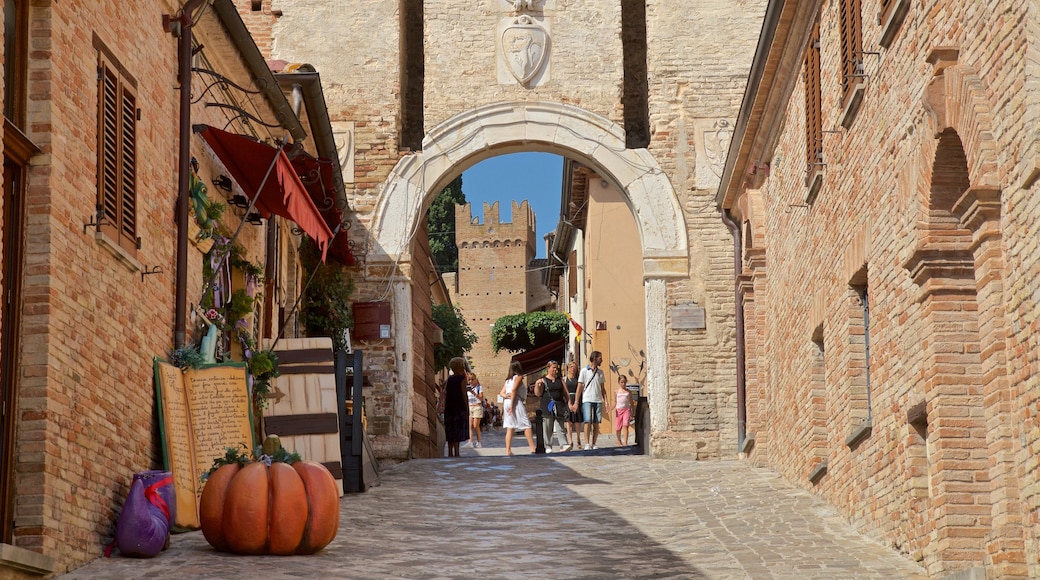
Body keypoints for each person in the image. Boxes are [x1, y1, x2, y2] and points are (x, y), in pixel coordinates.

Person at [533, 361, 570, 452]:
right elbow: (537, 394)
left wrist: (570, 403)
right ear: (548, 368)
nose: (555, 370)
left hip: (559, 405)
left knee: (560, 426)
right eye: (553, 368)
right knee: (547, 427)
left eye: (556, 368)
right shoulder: (543, 380)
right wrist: (538, 385)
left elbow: (566, 393)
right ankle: (548, 445)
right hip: (547, 406)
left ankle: (564, 444)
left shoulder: (560, 380)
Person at [574, 351, 607, 450]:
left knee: (596, 422)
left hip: (597, 399)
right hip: (587, 399)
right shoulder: (584, 371)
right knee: (587, 421)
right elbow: (579, 387)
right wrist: (576, 401)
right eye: (600, 358)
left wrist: (606, 401)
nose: (602, 360)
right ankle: (587, 443)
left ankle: (594, 443)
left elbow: (603, 388)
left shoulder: (600, 372)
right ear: (595, 358)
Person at [502, 360, 536, 456]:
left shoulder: (508, 380)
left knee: (510, 427)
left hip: (507, 402)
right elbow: (514, 390)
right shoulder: (519, 377)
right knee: (526, 425)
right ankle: (532, 447)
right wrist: (512, 404)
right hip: (516, 401)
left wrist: (506, 396)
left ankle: (508, 450)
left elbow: (501, 393)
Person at [443, 357, 470, 457]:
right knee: (457, 430)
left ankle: (450, 452)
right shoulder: (462, 379)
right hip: (459, 407)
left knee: (450, 429)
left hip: (449, 407)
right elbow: (464, 394)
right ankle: (457, 452)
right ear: (460, 367)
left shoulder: (449, 379)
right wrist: (467, 408)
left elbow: (443, 388)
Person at [564, 360, 583, 450]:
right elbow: (564, 391)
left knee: (577, 421)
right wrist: (568, 402)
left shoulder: (578, 379)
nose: (573, 369)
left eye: (574, 368)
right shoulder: (565, 379)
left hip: (576, 399)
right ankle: (570, 440)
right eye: (571, 367)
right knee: (569, 421)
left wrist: (577, 402)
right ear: (568, 368)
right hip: (568, 399)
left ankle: (579, 439)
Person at [465, 372, 485, 448]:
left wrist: (473, 393)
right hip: (470, 407)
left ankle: (479, 442)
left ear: (475, 380)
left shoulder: (479, 387)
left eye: (472, 379)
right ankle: (470, 442)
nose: (470, 381)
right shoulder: (467, 388)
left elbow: (481, 398)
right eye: (469, 379)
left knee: (475, 425)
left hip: (477, 407)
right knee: (469, 425)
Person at [614, 375, 634, 446]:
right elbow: (615, 402)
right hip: (618, 410)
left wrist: (632, 412)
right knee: (618, 427)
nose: (623, 384)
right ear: (619, 382)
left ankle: (625, 441)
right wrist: (610, 408)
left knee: (625, 425)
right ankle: (619, 440)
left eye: (624, 382)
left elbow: (631, 402)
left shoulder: (628, 392)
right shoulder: (616, 392)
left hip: (626, 410)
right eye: (622, 382)